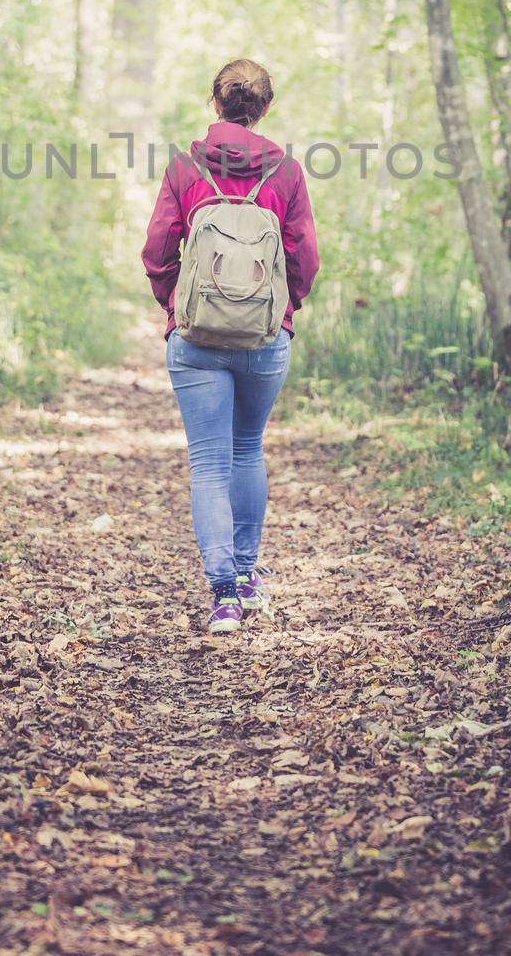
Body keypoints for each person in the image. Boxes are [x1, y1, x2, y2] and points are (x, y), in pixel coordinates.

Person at [141, 59, 320, 633]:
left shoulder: (185, 166)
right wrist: (283, 309)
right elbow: (304, 259)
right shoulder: (286, 172)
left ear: (214, 104)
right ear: (264, 108)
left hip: (195, 339)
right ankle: (246, 575)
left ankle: (223, 595)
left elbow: (157, 250)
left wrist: (176, 307)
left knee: (209, 463)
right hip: (266, 338)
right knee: (247, 450)